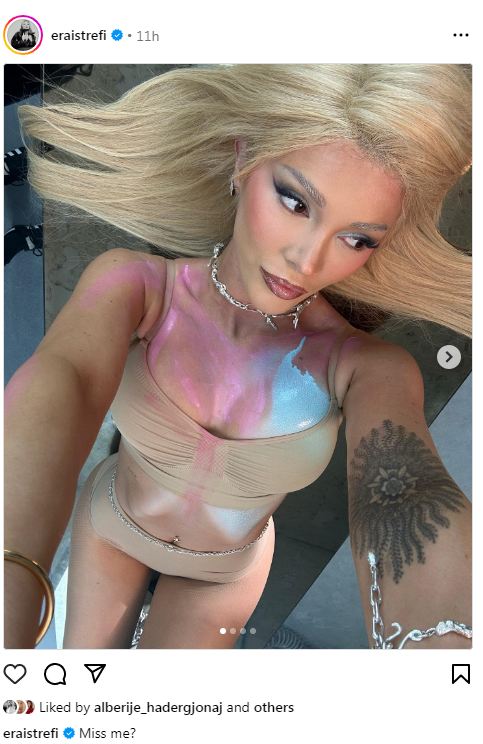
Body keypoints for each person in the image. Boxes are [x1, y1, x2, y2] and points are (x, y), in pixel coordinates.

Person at [5, 64, 472, 649]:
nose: (307, 260)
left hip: (223, 575)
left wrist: (447, 654)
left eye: (357, 239)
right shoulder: (136, 288)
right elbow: (63, 384)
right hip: (113, 529)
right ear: (242, 158)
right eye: (295, 201)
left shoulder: (365, 366)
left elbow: (406, 491)